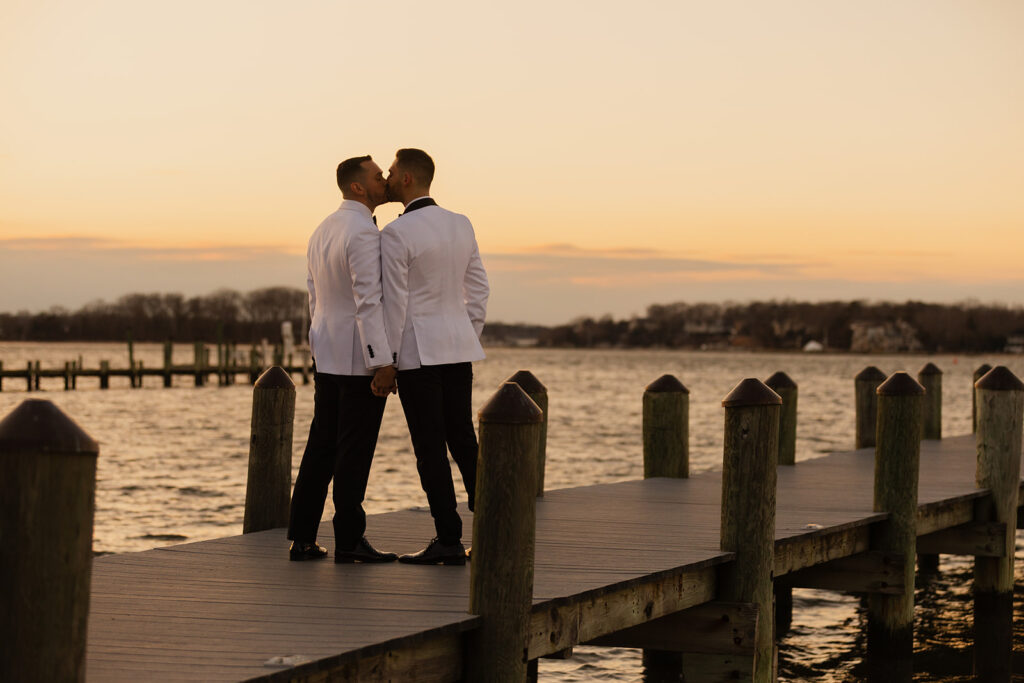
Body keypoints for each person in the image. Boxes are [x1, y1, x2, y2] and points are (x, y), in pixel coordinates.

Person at [377, 148, 490, 565]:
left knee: (430, 448)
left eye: (390, 172)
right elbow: (478, 291)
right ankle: (493, 527)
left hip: (417, 353)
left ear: (406, 179)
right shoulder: (461, 224)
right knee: (463, 438)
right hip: (457, 348)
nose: (386, 178)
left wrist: (386, 360)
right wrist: (462, 332)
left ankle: (447, 538)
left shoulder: (396, 233)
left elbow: (394, 303)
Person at [287, 155, 400, 563]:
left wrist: (316, 344)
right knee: (354, 449)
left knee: (321, 445)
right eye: (376, 176)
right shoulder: (364, 234)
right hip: (358, 356)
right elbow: (368, 300)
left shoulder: (322, 229)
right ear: (358, 187)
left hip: (328, 351)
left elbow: (313, 295)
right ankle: (349, 542)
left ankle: (301, 537)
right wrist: (383, 361)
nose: (384, 180)